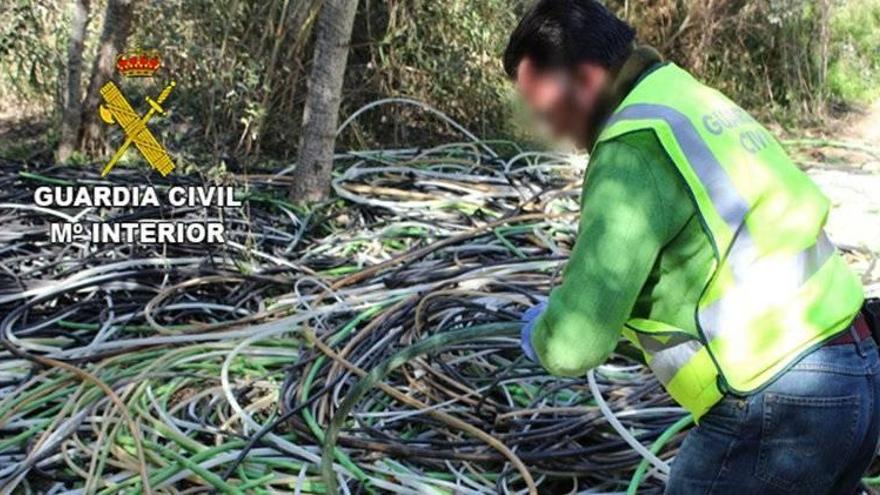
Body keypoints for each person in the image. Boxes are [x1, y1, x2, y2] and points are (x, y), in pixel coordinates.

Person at [504, 1, 880, 493]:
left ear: (588, 78)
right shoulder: (685, 99)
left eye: (546, 108)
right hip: (858, 375)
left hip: (780, 404)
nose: (547, 127)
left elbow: (575, 345)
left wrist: (543, 336)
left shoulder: (632, 146)